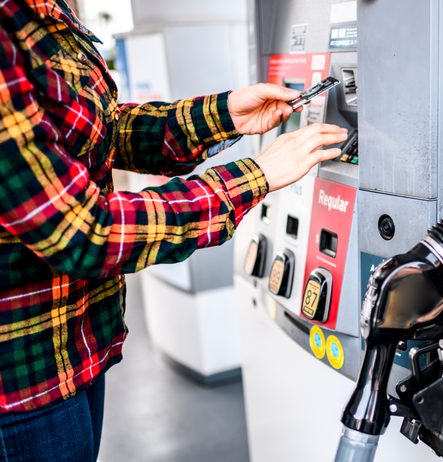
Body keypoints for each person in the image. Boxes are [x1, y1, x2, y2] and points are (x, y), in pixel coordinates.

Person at [0, 0, 348, 460]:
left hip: (75, 344)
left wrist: (223, 114)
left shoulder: (39, 8)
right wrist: (256, 175)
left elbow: (98, 129)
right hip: (22, 379)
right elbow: (84, 234)